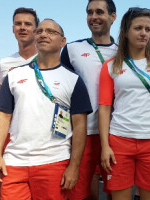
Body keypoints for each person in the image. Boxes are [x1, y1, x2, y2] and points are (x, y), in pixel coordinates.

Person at [0, 19, 92, 200]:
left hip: (54, 162)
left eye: (51, 32)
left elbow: (80, 127)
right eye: (40, 31)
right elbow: (3, 117)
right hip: (14, 161)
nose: (44, 34)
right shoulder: (14, 75)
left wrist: (74, 166)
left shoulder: (74, 80)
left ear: (62, 41)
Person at [98, 7, 150, 200]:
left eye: (147, 29)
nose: (143, 33)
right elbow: (104, 108)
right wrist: (105, 146)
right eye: (138, 28)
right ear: (125, 31)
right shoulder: (110, 66)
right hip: (119, 141)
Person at [60, 0, 117, 199]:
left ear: (112, 16)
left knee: (116, 191)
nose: (94, 17)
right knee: (78, 192)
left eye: (99, 12)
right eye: (90, 12)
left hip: (115, 133)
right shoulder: (72, 49)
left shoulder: (124, 53)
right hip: (81, 132)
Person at [0, 7, 39, 86]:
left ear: (36, 30)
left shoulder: (48, 60)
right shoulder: (4, 64)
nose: (22, 27)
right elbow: (3, 97)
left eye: (28, 24)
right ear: (13, 29)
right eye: (18, 23)